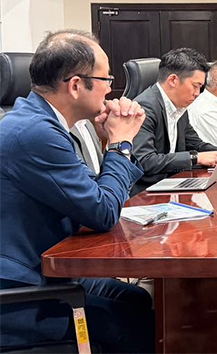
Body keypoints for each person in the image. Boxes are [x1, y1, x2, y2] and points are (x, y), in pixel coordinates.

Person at [0, 30, 153, 353]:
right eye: (106, 78)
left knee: (137, 300)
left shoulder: (43, 123)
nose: (111, 88)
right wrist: (121, 144)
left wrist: (108, 141)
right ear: (75, 85)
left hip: (43, 270)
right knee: (132, 326)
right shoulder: (35, 133)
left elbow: (94, 194)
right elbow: (103, 211)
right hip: (18, 290)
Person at [133, 48, 217, 192]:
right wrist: (194, 158)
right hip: (144, 194)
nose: (198, 93)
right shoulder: (144, 109)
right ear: (173, 80)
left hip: (172, 185)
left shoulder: (179, 107)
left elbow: (196, 144)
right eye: (195, 86)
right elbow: (144, 161)